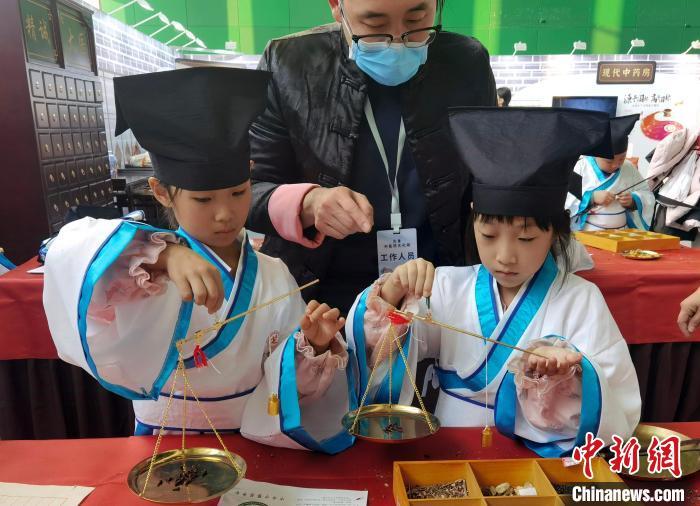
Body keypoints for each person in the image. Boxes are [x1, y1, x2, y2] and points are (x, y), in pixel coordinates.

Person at [43, 67, 354, 454]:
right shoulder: (142, 269)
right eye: (203, 200)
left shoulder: (274, 274)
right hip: (164, 442)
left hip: (253, 438)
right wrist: (165, 255)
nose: (225, 214)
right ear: (161, 192)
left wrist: (314, 346)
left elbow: (284, 384)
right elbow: (66, 252)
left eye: (238, 193)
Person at [346, 107, 641, 456]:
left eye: (526, 239)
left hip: (535, 452)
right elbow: (380, 355)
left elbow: (616, 403)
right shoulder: (445, 286)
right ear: (473, 222)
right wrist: (394, 293)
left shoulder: (582, 299)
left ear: (555, 232)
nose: (505, 256)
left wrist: (566, 375)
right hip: (448, 446)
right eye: (488, 235)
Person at [247, 0, 497, 313]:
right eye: (375, 26)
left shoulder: (466, 64)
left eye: (417, 20)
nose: (398, 42)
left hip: (436, 292)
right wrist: (308, 203)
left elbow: (488, 181)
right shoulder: (289, 64)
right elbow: (248, 191)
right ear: (336, 6)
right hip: (321, 302)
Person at [566, 114, 655, 231]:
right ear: (596, 154)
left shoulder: (628, 167)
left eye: (621, 159)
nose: (615, 165)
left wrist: (633, 200)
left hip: (621, 233)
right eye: (609, 161)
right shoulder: (580, 167)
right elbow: (564, 201)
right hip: (586, 234)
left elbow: (647, 194)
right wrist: (591, 198)